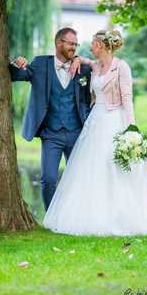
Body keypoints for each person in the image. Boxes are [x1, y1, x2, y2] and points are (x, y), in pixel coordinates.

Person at [42, 30, 147, 237]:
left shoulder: (122, 67)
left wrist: (131, 130)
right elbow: (85, 60)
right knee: (90, 168)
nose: (91, 48)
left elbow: (127, 99)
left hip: (115, 120)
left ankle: (118, 214)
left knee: (113, 167)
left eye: (93, 44)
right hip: (95, 121)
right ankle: (90, 214)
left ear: (101, 46)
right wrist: (77, 58)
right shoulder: (96, 66)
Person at [9, 27, 92, 211]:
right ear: (58, 43)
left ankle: (77, 214)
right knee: (48, 179)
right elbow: (16, 75)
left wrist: (88, 124)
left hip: (76, 133)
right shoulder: (40, 64)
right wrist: (16, 63)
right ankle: (51, 217)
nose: (74, 47)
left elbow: (87, 100)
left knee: (80, 177)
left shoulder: (83, 70)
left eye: (76, 44)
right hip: (51, 134)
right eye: (71, 43)